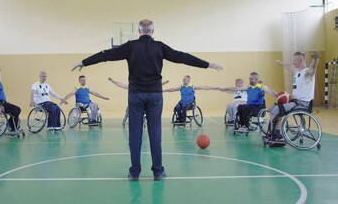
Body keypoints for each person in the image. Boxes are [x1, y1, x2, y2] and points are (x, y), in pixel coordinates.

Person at [70, 19, 223, 181]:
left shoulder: (130, 46)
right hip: (155, 95)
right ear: (152, 31)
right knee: (155, 133)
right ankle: (158, 171)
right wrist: (208, 65)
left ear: (139, 31)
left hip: (135, 95)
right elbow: (182, 57)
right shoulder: (160, 46)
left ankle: (135, 172)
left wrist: (84, 62)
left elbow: (106, 55)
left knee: (135, 134)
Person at [268, 52, 319, 144]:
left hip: (303, 104)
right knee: (272, 108)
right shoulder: (297, 71)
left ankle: (277, 135)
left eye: (295, 60)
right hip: (294, 102)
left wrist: (315, 59)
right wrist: (281, 64)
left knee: (276, 109)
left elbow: (313, 68)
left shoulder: (307, 73)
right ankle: (275, 133)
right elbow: (290, 67)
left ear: (301, 60)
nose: (293, 62)